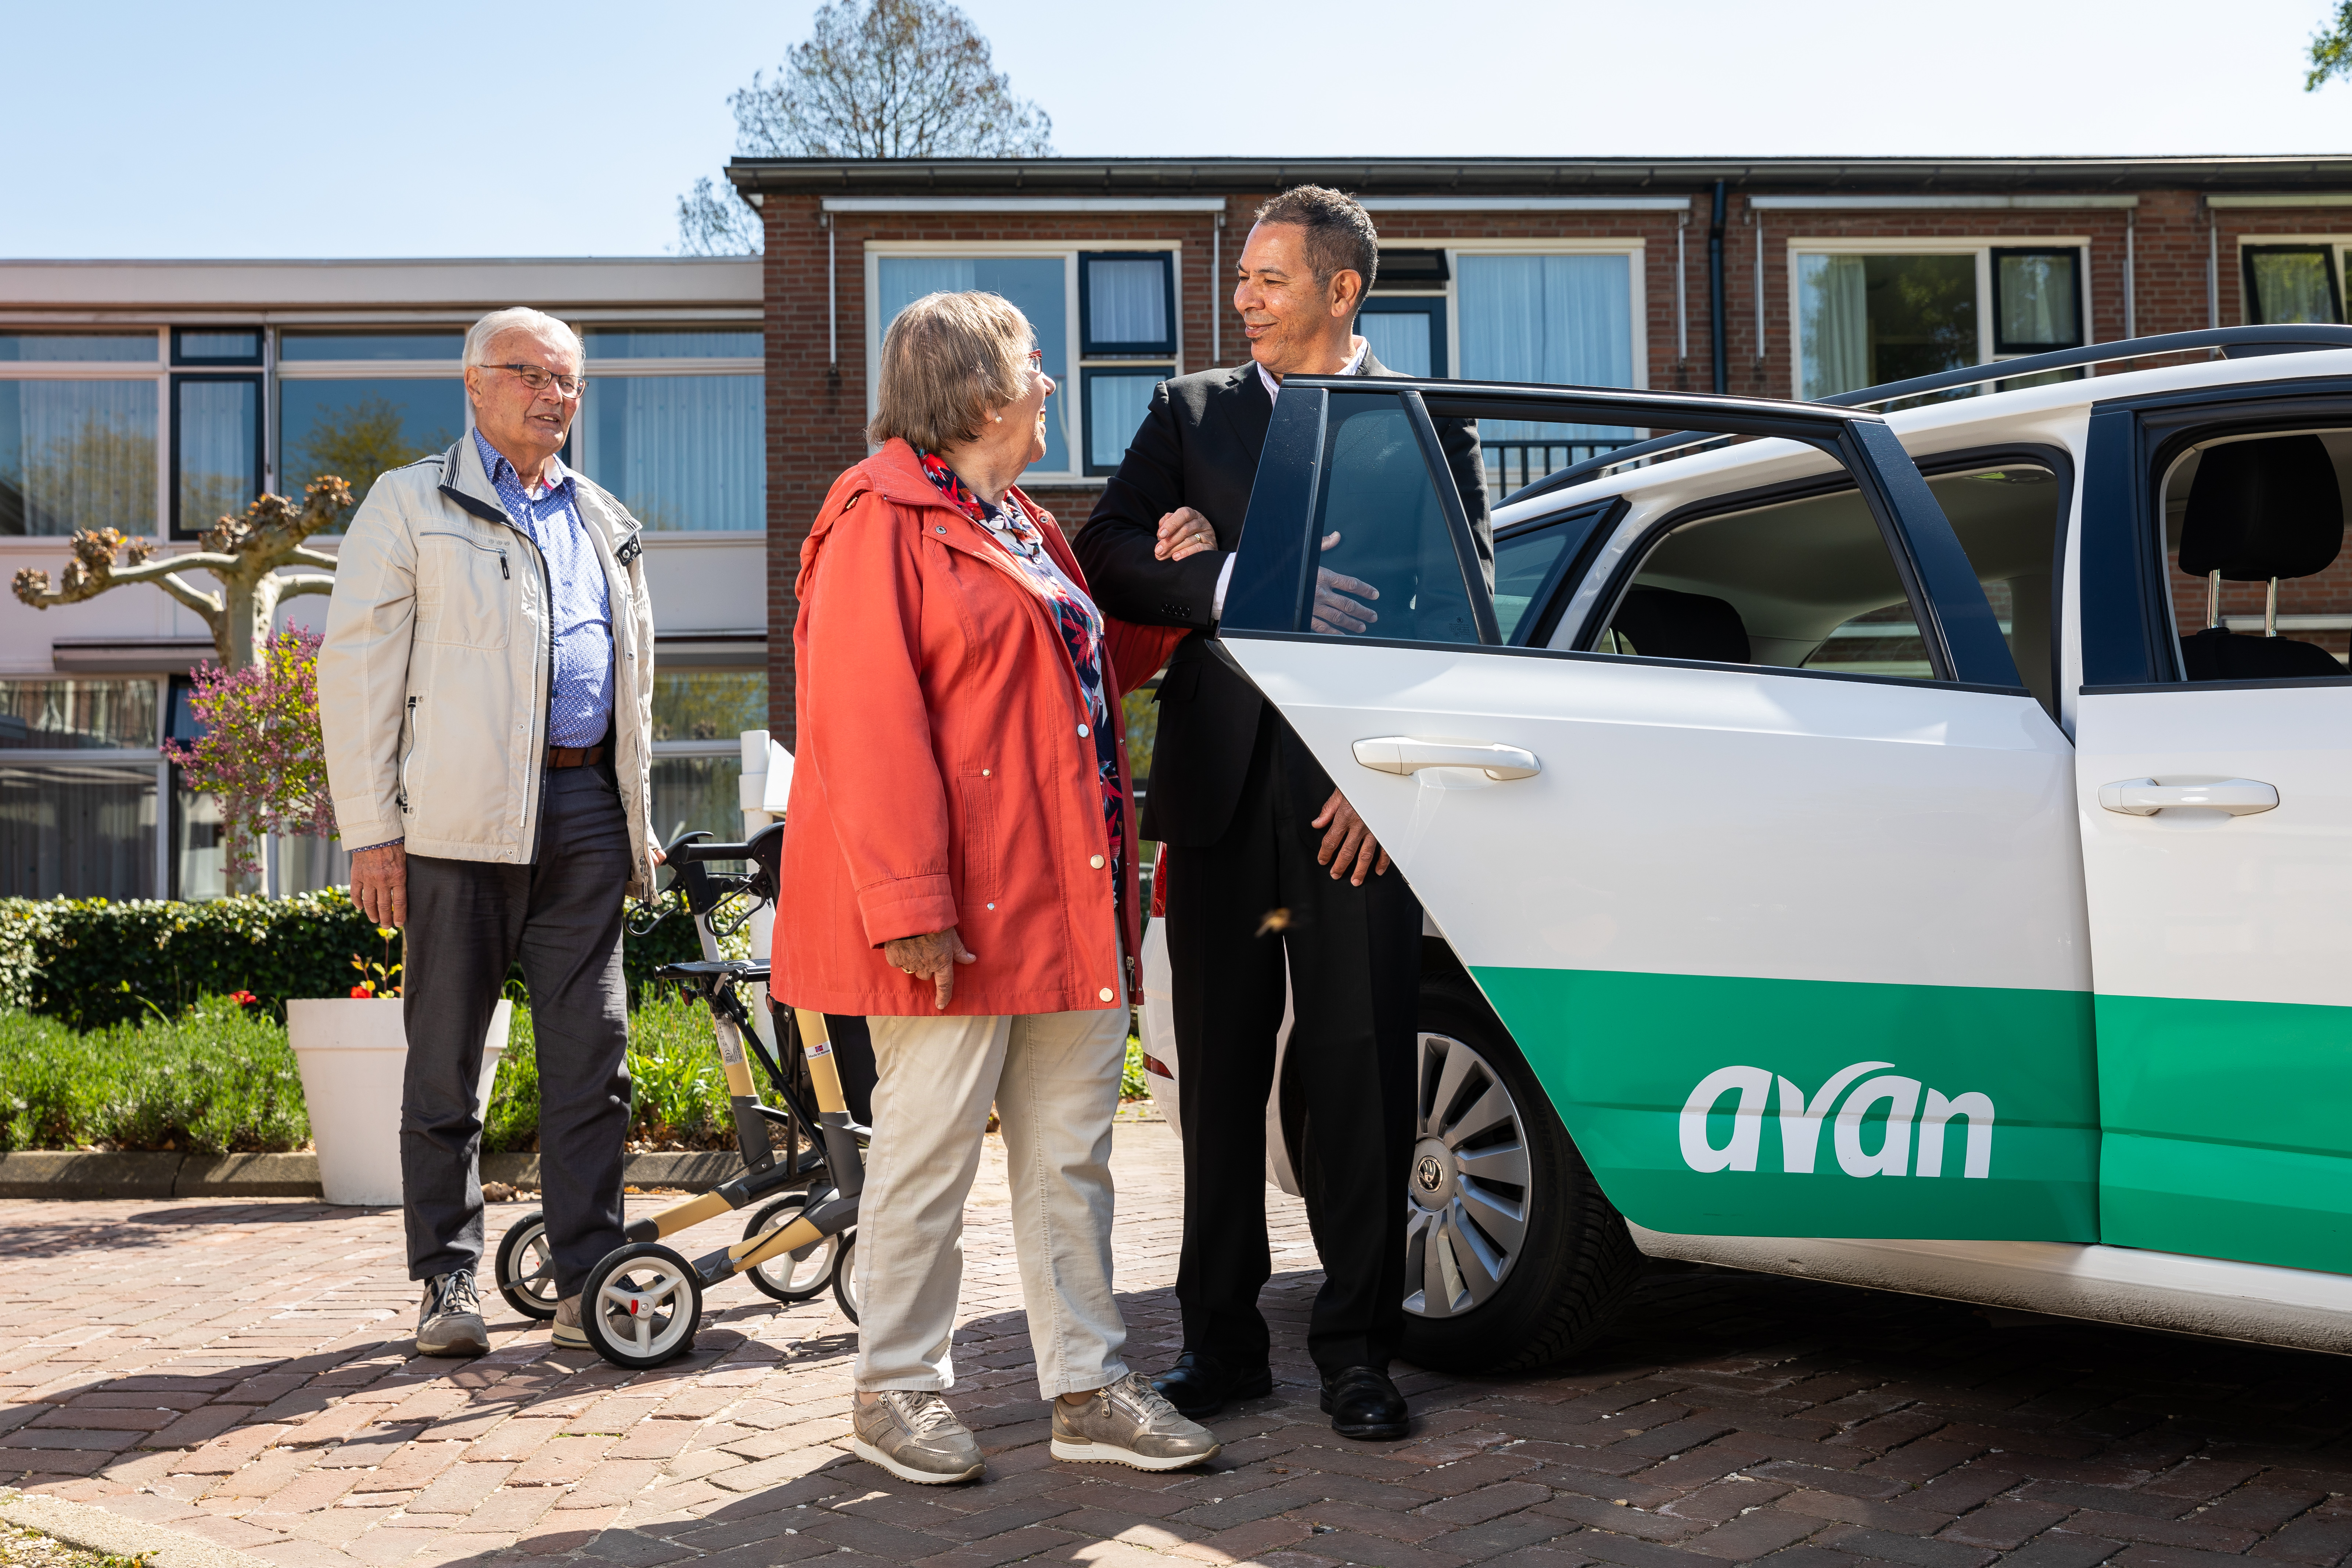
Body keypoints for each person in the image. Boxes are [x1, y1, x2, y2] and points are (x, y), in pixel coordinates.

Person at [770, 290, 1213, 1485]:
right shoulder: (876, 516)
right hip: (958, 913)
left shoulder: (1017, 519)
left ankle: (1086, 1386)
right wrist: (910, 901)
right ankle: (893, 1391)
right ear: (976, 396)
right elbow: (864, 724)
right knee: (927, 1152)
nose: (1051, 386)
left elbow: (1068, 672)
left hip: (1061, 896)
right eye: (1033, 366)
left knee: (1069, 1151)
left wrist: (1157, 615)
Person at [1074, 187, 1489, 1441]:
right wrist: (1229, 575)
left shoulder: (1418, 420)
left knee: (1361, 1073)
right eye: (1241, 279)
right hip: (1213, 794)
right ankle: (1222, 1345)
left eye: (1266, 278)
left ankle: (1360, 1351)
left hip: (1347, 806)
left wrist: (1383, 781)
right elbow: (1104, 549)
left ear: (1340, 288)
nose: (1243, 297)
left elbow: (1452, 618)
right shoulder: (1187, 411)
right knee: (1218, 1080)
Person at [319, 306, 661, 1359]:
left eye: (569, 382)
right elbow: (359, 672)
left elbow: (637, 688)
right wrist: (374, 829)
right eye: (530, 375)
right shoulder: (410, 504)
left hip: (588, 815)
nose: (553, 396)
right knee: (445, 1062)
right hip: (456, 825)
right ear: (474, 384)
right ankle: (447, 1279)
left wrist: (637, 820)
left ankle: (585, 1271)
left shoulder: (604, 518)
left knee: (592, 1058)